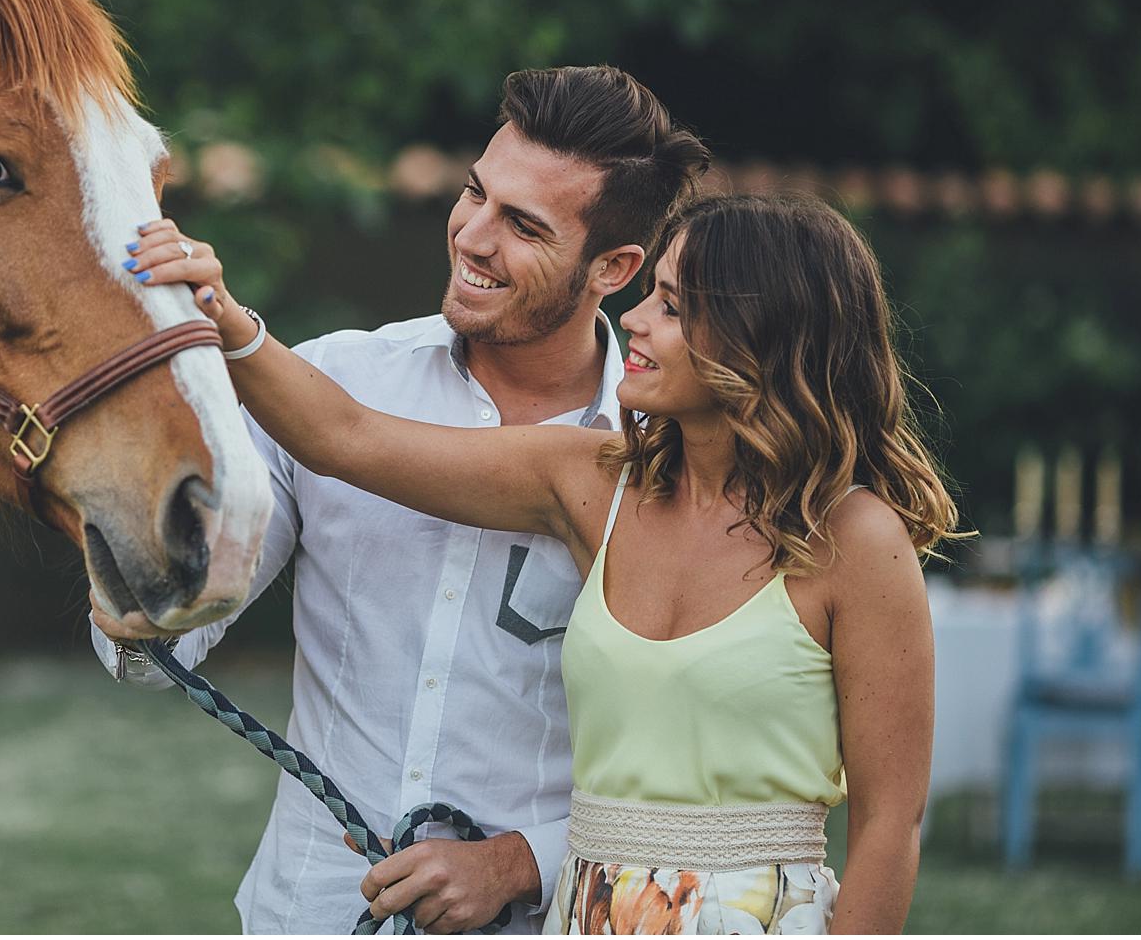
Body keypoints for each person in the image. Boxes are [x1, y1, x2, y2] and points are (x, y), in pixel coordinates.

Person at [121, 192, 956, 934]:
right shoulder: (595, 481)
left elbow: (889, 822)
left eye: (670, 305)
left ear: (756, 340)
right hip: (580, 915)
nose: (633, 318)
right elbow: (347, 436)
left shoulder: (856, 541)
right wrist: (227, 322)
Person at [91, 66, 711, 933]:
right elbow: (162, 640)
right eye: (473, 194)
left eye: (523, 225)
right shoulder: (333, 379)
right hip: (306, 912)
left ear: (613, 266)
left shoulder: (666, 461)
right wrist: (142, 564)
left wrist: (518, 860)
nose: (472, 236)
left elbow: (700, 761)